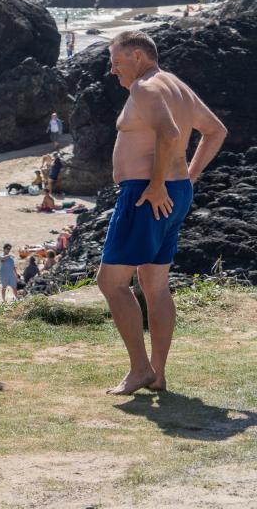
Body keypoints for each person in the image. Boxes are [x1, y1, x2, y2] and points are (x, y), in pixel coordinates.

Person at [97, 30, 226, 395]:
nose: (112, 70)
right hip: (175, 193)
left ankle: (140, 369)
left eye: (117, 61)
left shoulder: (145, 87)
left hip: (146, 195)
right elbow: (215, 131)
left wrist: (156, 185)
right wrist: (186, 178)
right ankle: (158, 372)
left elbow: (169, 134)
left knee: (111, 283)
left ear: (138, 55)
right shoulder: (177, 86)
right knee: (154, 284)